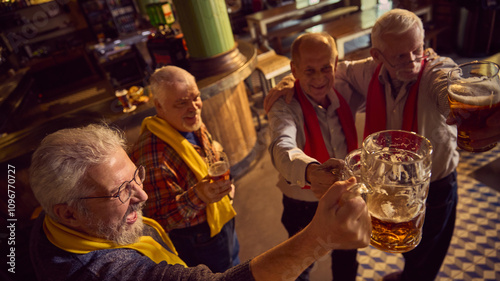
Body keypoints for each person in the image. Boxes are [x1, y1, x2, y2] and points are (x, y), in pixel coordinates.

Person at [264, 8, 490, 281]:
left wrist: (465, 109)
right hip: (320, 195)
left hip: (430, 186)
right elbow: (282, 144)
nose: (412, 61)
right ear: (377, 56)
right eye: (399, 55)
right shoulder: (355, 76)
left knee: (423, 251)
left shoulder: (430, 70)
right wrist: (292, 80)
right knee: (300, 260)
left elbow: (445, 83)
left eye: (417, 49)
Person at [28, 123, 372, 281]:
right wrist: (319, 238)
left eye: (137, 177)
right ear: (68, 213)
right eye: (121, 192)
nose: (143, 196)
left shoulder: (47, 226)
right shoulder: (97, 272)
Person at [267, 32, 361, 281]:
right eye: (309, 71)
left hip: (345, 195)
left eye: (325, 68)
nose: (320, 78)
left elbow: (388, 61)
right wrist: (310, 171)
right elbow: (281, 146)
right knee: (300, 264)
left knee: (346, 258)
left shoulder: (346, 88)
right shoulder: (284, 104)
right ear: (294, 70)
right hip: (303, 202)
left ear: (336, 64)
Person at [129, 66, 238, 272]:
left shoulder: (188, 121)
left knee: (235, 264)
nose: (194, 107)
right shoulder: (153, 157)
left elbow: (208, 154)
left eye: (196, 97)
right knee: (222, 275)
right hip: (199, 238)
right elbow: (158, 219)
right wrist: (199, 195)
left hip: (222, 217)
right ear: (159, 106)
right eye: (181, 103)